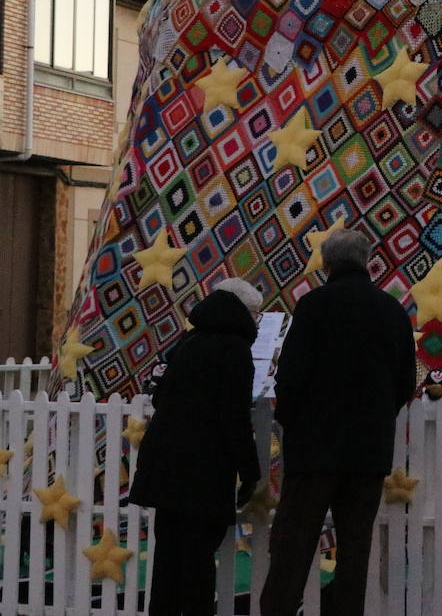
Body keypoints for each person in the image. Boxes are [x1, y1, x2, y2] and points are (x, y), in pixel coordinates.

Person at [260, 229, 416, 616]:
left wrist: (292, 421)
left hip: (313, 448)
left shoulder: (314, 305)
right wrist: (377, 418)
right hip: (368, 451)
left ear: (326, 264)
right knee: (355, 548)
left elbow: (291, 375)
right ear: (367, 262)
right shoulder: (391, 310)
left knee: (293, 544)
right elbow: (405, 382)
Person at [128, 278, 263, 616]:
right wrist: (250, 472)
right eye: (256, 314)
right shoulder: (234, 350)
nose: (257, 322)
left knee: (169, 562)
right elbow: (234, 418)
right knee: (198, 563)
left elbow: (160, 395)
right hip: (201, 473)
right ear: (242, 311)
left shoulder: (190, 341)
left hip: (165, 466)